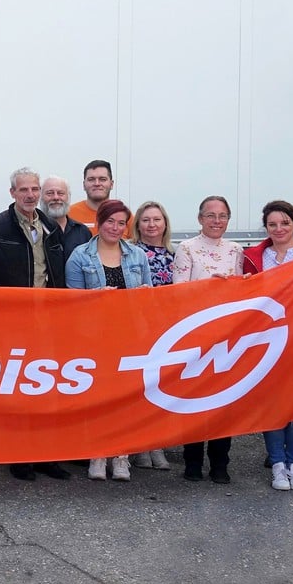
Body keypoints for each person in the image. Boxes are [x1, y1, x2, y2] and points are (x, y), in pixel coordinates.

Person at [0, 167, 70, 481]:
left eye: (34, 189)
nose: (30, 195)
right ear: (12, 193)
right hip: (11, 324)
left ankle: (46, 455)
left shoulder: (51, 227)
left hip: (47, 321)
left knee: (46, 389)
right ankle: (19, 455)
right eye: (24, 189)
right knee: (17, 390)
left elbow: (58, 274)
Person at [242, 200, 293, 491]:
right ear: (266, 227)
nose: (278, 229)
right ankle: (278, 464)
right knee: (272, 404)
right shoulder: (254, 257)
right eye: (272, 224)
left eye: (284, 223)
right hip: (266, 338)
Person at [64, 200, 152, 481]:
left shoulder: (137, 255)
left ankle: (121, 456)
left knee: (126, 399)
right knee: (98, 399)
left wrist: (143, 295)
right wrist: (97, 298)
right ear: (99, 223)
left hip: (130, 337)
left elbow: (151, 299)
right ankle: (97, 455)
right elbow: (71, 304)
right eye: (110, 221)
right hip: (94, 338)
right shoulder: (80, 256)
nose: (115, 228)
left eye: (121, 223)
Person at [171, 195, 244, 484]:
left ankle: (220, 463)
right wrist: (209, 289)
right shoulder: (187, 248)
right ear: (200, 218)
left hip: (227, 335)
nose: (216, 221)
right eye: (210, 215)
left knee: (223, 402)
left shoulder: (236, 250)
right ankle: (192, 461)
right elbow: (178, 292)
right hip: (196, 333)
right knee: (194, 399)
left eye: (222, 215)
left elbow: (242, 292)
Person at [127, 200, 175, 471]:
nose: (152, 225)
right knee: (139, 388)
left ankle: (157, 444)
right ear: (138, 225)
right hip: (139, 329)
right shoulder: (130, 252)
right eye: (146, 220)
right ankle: (140, 447)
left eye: (157, 219)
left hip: (168, 328)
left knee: (161, 387)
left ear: (165, 223)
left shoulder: (176, 254)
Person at [68, 160, 131, 236]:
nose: (97, 184)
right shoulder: (69, 215)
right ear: (84, 185)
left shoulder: (125, 216)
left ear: (111, 184)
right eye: (91, 179)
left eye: (102, 179)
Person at [41, 175, 92, 254]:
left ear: (69, 197)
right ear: (40, 197)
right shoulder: (34, 231)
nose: (56, 197)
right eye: (50, 193)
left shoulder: (82, 231)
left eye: (60, 193)